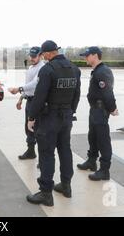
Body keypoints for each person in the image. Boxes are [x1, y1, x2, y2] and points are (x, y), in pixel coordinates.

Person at [26, 40, 81, 206]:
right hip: (66, 116)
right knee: (65, 150)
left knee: (46, 153)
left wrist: (31, 117)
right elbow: (76, 95)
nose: (44, 57)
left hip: (49, 117)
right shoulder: (74, 69)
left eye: (44, 54)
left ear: (48, 54)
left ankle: (46, 193)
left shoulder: (47, 69)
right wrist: (70, 111)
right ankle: (66, 185)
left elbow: (40, 96)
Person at [77, 47, 119, 181]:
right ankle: (91, 161)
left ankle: (104, 170)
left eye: (87, 55)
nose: (85, 58)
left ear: (95, 55)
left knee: (103, 139)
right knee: (93, 137)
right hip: (95, 110)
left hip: (101, 110)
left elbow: (107, 92)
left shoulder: (103, 71)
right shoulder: (97, 71)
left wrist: (112, 108)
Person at [9, 47, 45, 160]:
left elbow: (35, 84)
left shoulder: (42, 68)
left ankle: (43, 158)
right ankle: (31, 151)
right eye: (31, 56)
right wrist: (21, 97)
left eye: (34, 56)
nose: (32, 58)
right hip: (29, 100)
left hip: (37, 101)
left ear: (41, 55)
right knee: (28, 127)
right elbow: (28, 85)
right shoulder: (30, 68)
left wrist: (18, 89)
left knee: (38, 128)